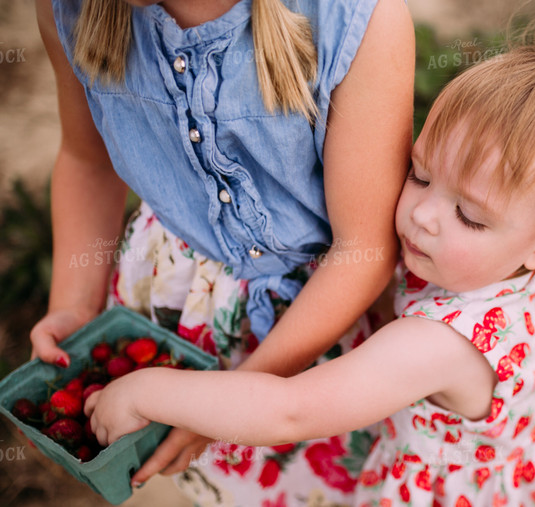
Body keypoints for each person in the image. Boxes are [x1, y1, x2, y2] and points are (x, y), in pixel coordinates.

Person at [86, 37, 535, 506]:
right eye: (419, 174)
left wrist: (148, 392)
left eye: (468, 215)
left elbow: (292, 412)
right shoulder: (502, 263)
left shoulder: (442, 345)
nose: (422, 215)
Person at [31, 0, 413, 504]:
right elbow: (87, 159)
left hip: (307, 330)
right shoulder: (70, 9)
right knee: (180, 482)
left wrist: (228, 405)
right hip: (167, 302)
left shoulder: (355, 19)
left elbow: (362, 248)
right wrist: (76, 303)